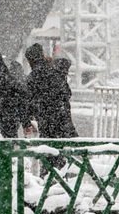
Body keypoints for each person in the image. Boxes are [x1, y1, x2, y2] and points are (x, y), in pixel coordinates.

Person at [24, 43, 78, 172]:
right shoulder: (54, 72)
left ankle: (49, 179)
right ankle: (60, 181)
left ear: (31, 60)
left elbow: (28, 102)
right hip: (62, 120)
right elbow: (67, 93)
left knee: (48, 155)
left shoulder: (32, 77)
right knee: (60, 155)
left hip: (46, 123)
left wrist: (28, 119)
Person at [0, 54, 31, 138]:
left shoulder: (8, 80)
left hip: (6, 122)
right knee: (8, 146)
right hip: (8, 122)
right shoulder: (9, 80)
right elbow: (22, 101)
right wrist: (26, 123)